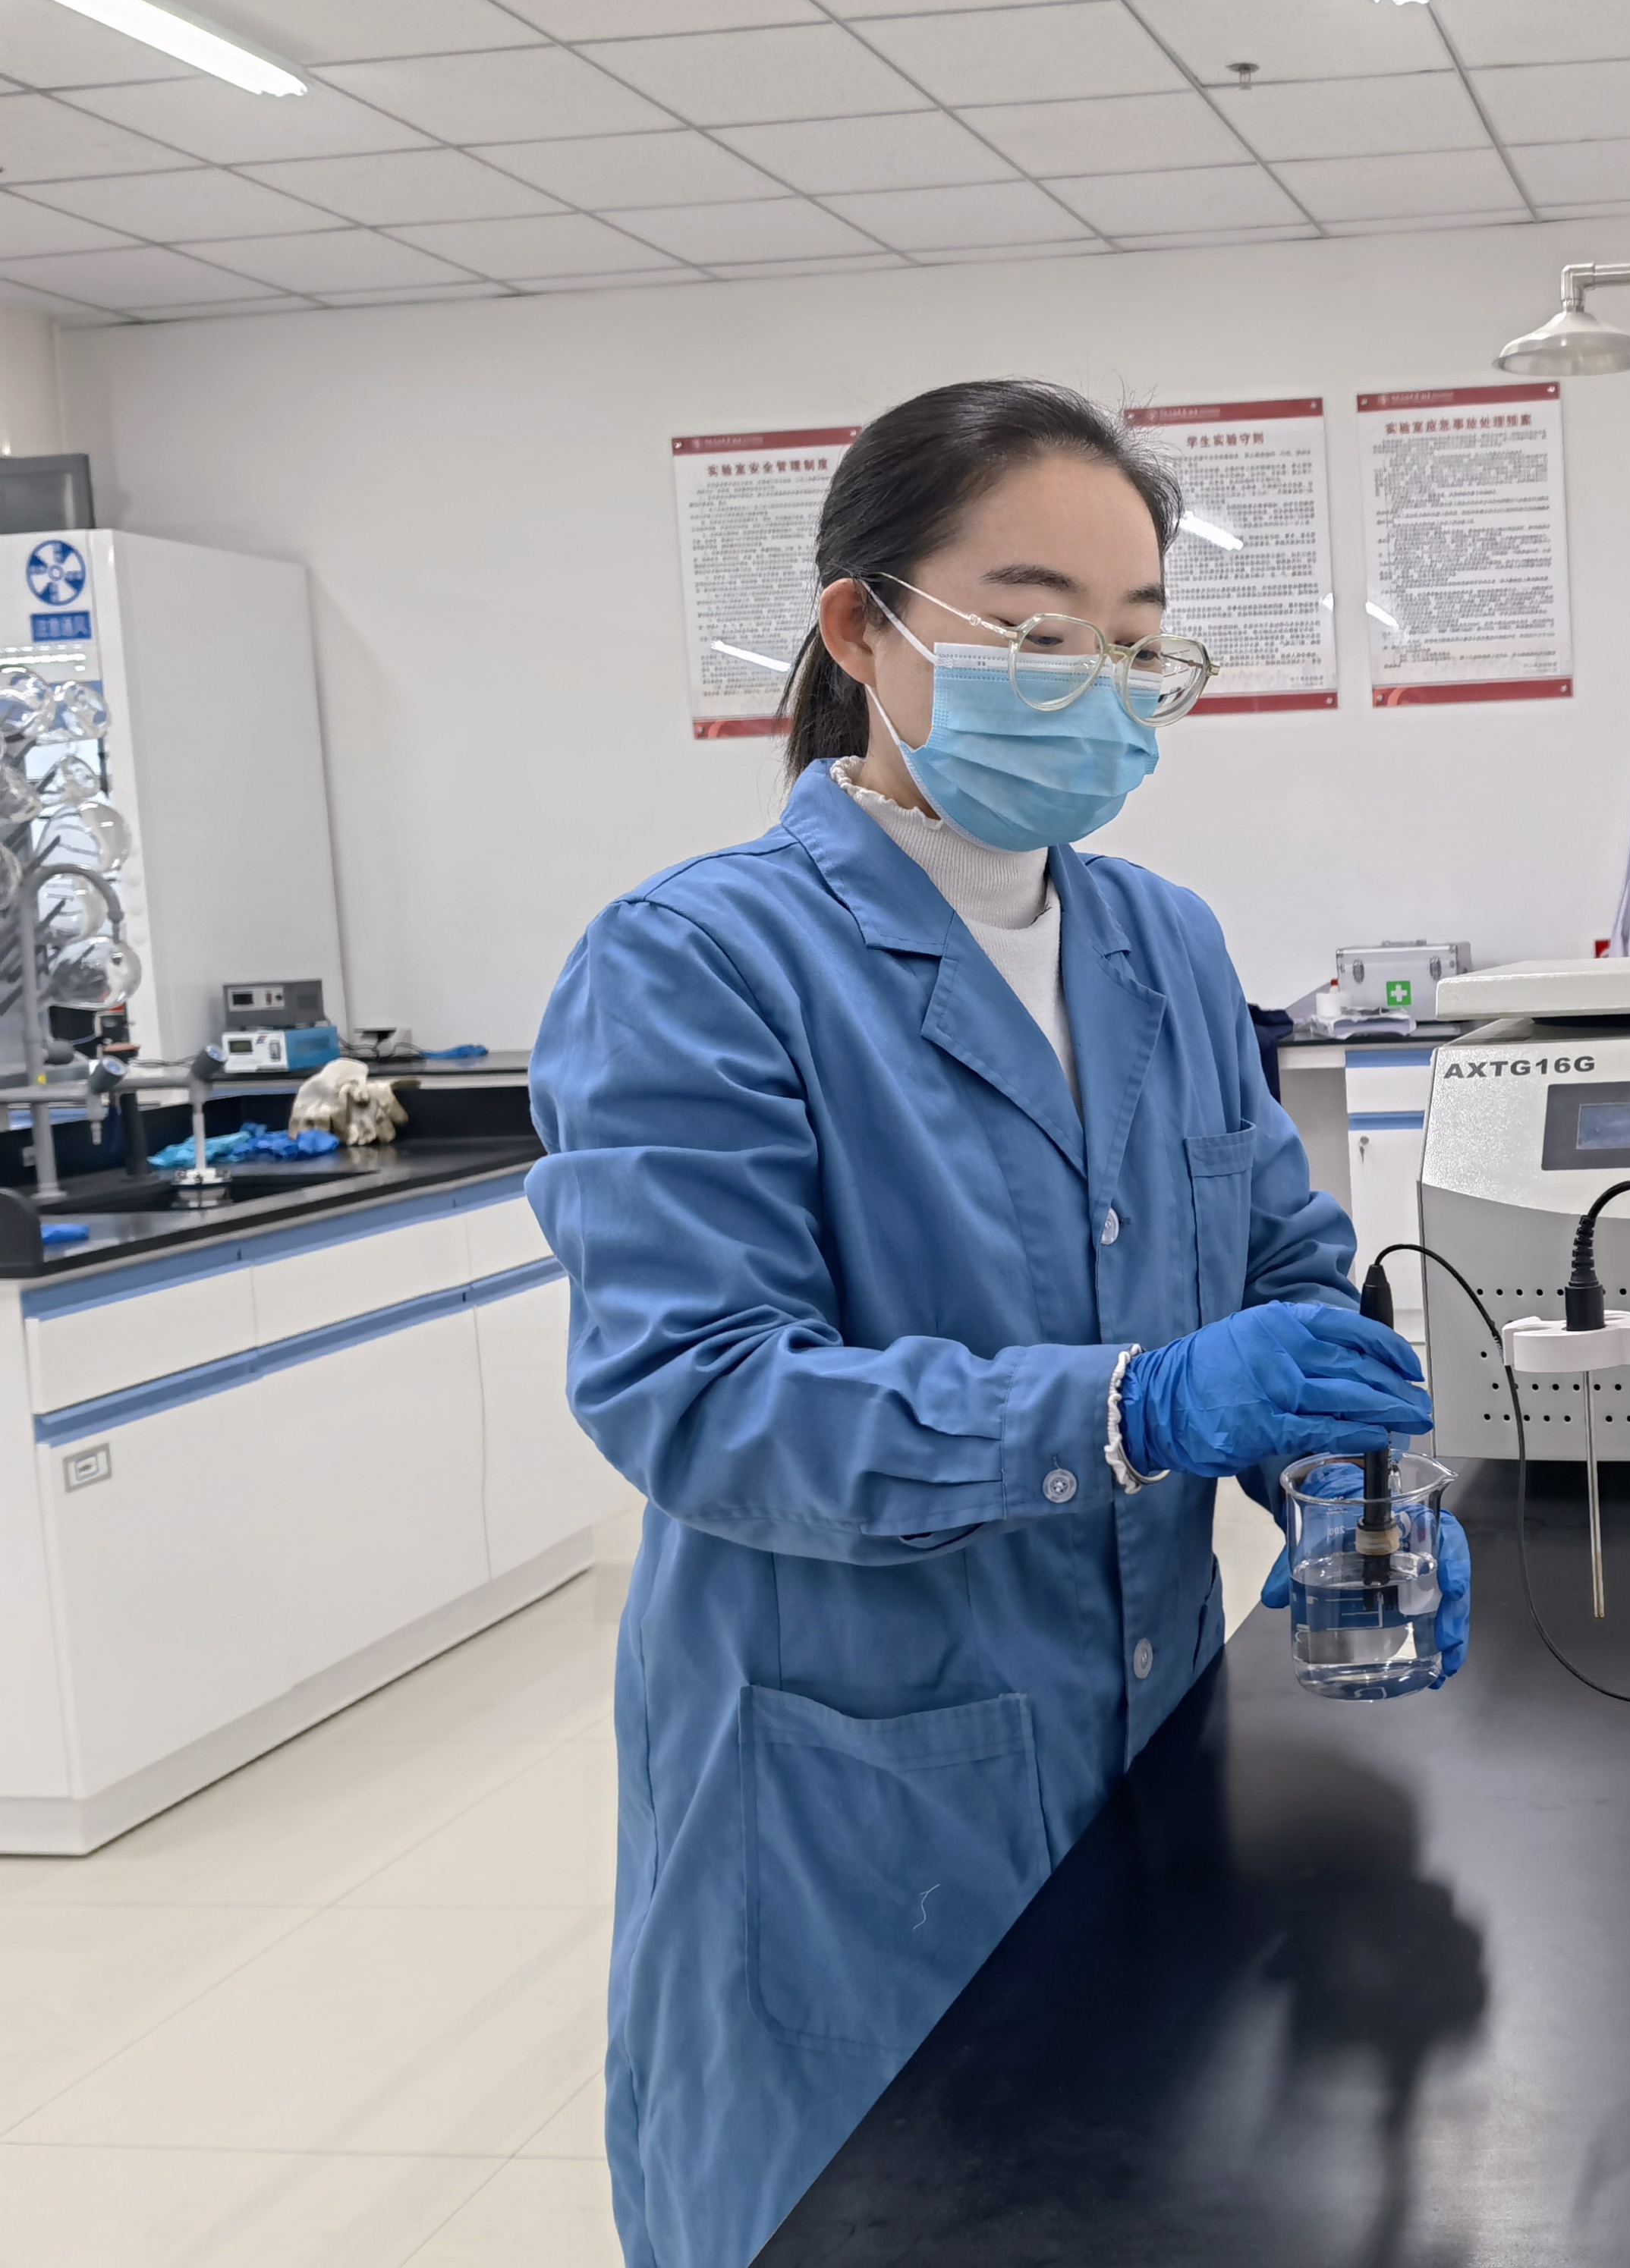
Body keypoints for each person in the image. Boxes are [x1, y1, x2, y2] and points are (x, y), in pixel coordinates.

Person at [527, 379, 1459, 2268]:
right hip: (852, 1810)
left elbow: (1274, 1261)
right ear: (860, 627)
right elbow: (700, 1400)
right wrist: (1134, 1405)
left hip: (1155, 1749)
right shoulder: (699, 963)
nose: (1094, 689)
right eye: (1036, 637)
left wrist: (1341, 1484)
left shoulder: (1163, 943)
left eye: (1136, 646)